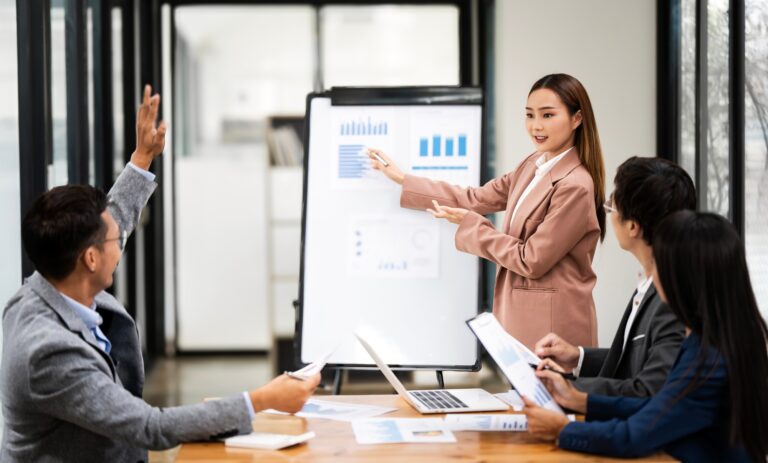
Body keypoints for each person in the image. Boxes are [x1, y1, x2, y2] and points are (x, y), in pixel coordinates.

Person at [0, 85, 320, 463]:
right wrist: (263, 400)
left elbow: (113, 219)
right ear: (89, 259)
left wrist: (142, 157)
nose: (121, 245)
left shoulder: (47, 282)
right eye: (115, 241)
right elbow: (152, 428)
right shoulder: (47, 351)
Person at [368, 73, 605, 348]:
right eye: (529, 115)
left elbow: (531, 259)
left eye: (548, 115)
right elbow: (476, 198)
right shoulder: (532, 165)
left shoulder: (575, 185)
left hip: (553, 327)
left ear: (577, 119)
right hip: (524, 319)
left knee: (543, 393)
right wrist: (403, 179)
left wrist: (474, 226)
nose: (536, 126)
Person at [522, 211, 768, 462]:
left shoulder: (706, 359)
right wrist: (581, 400)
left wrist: (562, 429)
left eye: (658, 265)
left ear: (682, 280)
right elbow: (660, 407)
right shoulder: (726, 338)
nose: (652, 275)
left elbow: (632, 437)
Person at [533, 157, 693, 397]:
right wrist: (578, 357)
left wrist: (567, 389)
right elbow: (638, 361)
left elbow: (650, 390)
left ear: (633, 227)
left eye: (611, 207)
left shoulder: (671, 296)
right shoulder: (651, 282)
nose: (608, 213)